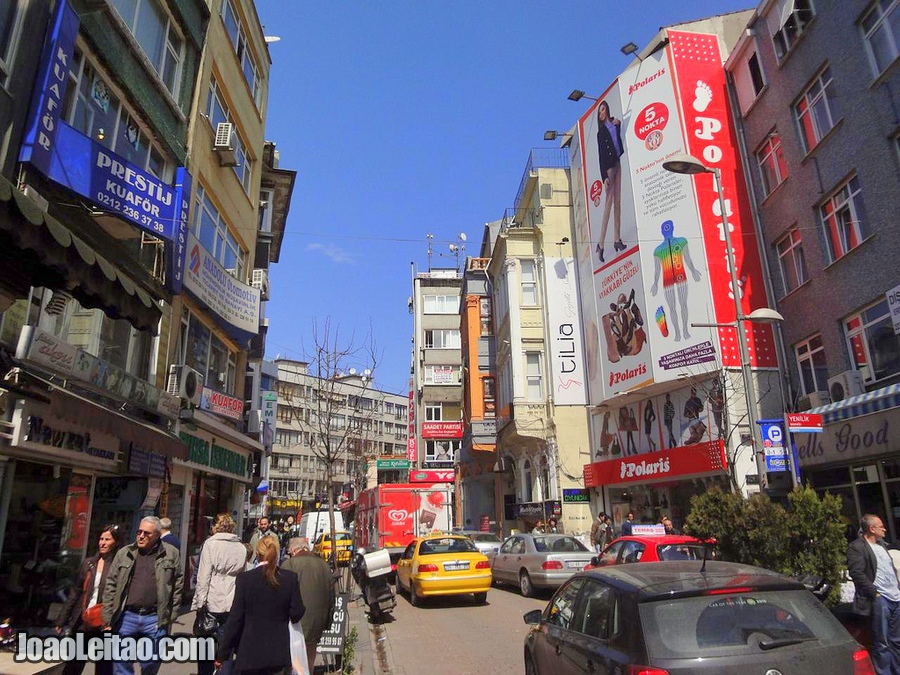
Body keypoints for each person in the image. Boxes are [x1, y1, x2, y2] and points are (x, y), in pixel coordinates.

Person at [102, 516, 183, 675]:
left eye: (147, 533)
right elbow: (111, 584)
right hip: (127, 616)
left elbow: (177, 584)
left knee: (152, 660)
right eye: (139, 532)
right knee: (121, 660)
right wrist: (108, 615)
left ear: (157, 535)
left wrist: (171, 614)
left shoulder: (170, 553)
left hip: (154, 617)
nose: (141, 536)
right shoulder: (125, 553)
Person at [216, 537, 305, 675]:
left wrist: (223, 653)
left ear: (257, 554)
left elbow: (235, 619)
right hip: (279, 654)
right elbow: (297, 613)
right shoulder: (289, 579)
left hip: (249, 654)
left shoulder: (245, 579)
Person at [57, 525, 122, 675]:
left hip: (105, 623)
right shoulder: (89, 563)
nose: (103, 543)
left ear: (116, 543)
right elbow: (76, 592)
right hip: (83, 620)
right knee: (74, 664)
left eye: (108, 539)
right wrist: (63, 618)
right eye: (101, 539)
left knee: (104, 666)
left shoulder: (119, 566)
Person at [192, 513, 247, 675]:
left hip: (212, 601)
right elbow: (243, 576)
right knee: (227, 646)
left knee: (205, 646)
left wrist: (199, 603)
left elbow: (203, 576)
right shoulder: (241, 547)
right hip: (232, 601)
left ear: (216, 527)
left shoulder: (210, 544)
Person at [847, 514, 900, 674]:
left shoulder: (883, 545)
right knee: (881, 642)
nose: (884, 529)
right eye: (881, 526)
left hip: (895, 598)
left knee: (897, 640)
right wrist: (875, 594)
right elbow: (857, 573)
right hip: (880, 599)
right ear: (871, 528)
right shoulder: (857, 547)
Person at [282, 537, 336, 670]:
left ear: (293, 550)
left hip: (294, 622)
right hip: (317, 620)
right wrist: (328, 621)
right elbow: (331, 596)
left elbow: (282, 594)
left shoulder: (289, 564)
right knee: (310, 658)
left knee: (294, 661)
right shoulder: (323, 565)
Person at [649, 220, 703, 342]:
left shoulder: (682, 241)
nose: (667, 230)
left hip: (681, 277)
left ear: (673, 228)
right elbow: (657, 269)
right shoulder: (658, 250)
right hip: (667, 281)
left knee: (683, 304)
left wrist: (693, 270)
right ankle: (678, 333)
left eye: (668, 227)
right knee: (672, 307)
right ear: (662, 231)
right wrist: (655, 283)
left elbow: (687, 258)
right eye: (665, 228)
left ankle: (685, 330)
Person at [594, 99, 625, 263]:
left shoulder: (614, 123)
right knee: (608, 204)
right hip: (609, 168)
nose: (601, 114)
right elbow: (600, 156)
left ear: (607, 110)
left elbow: (617, 140)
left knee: (618, 202)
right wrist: (604, 176)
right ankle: (600, 243)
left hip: (617, 162)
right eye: (599, 112)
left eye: (603, 110)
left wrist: (618, 125)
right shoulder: (600, 133)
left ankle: (617, 239)